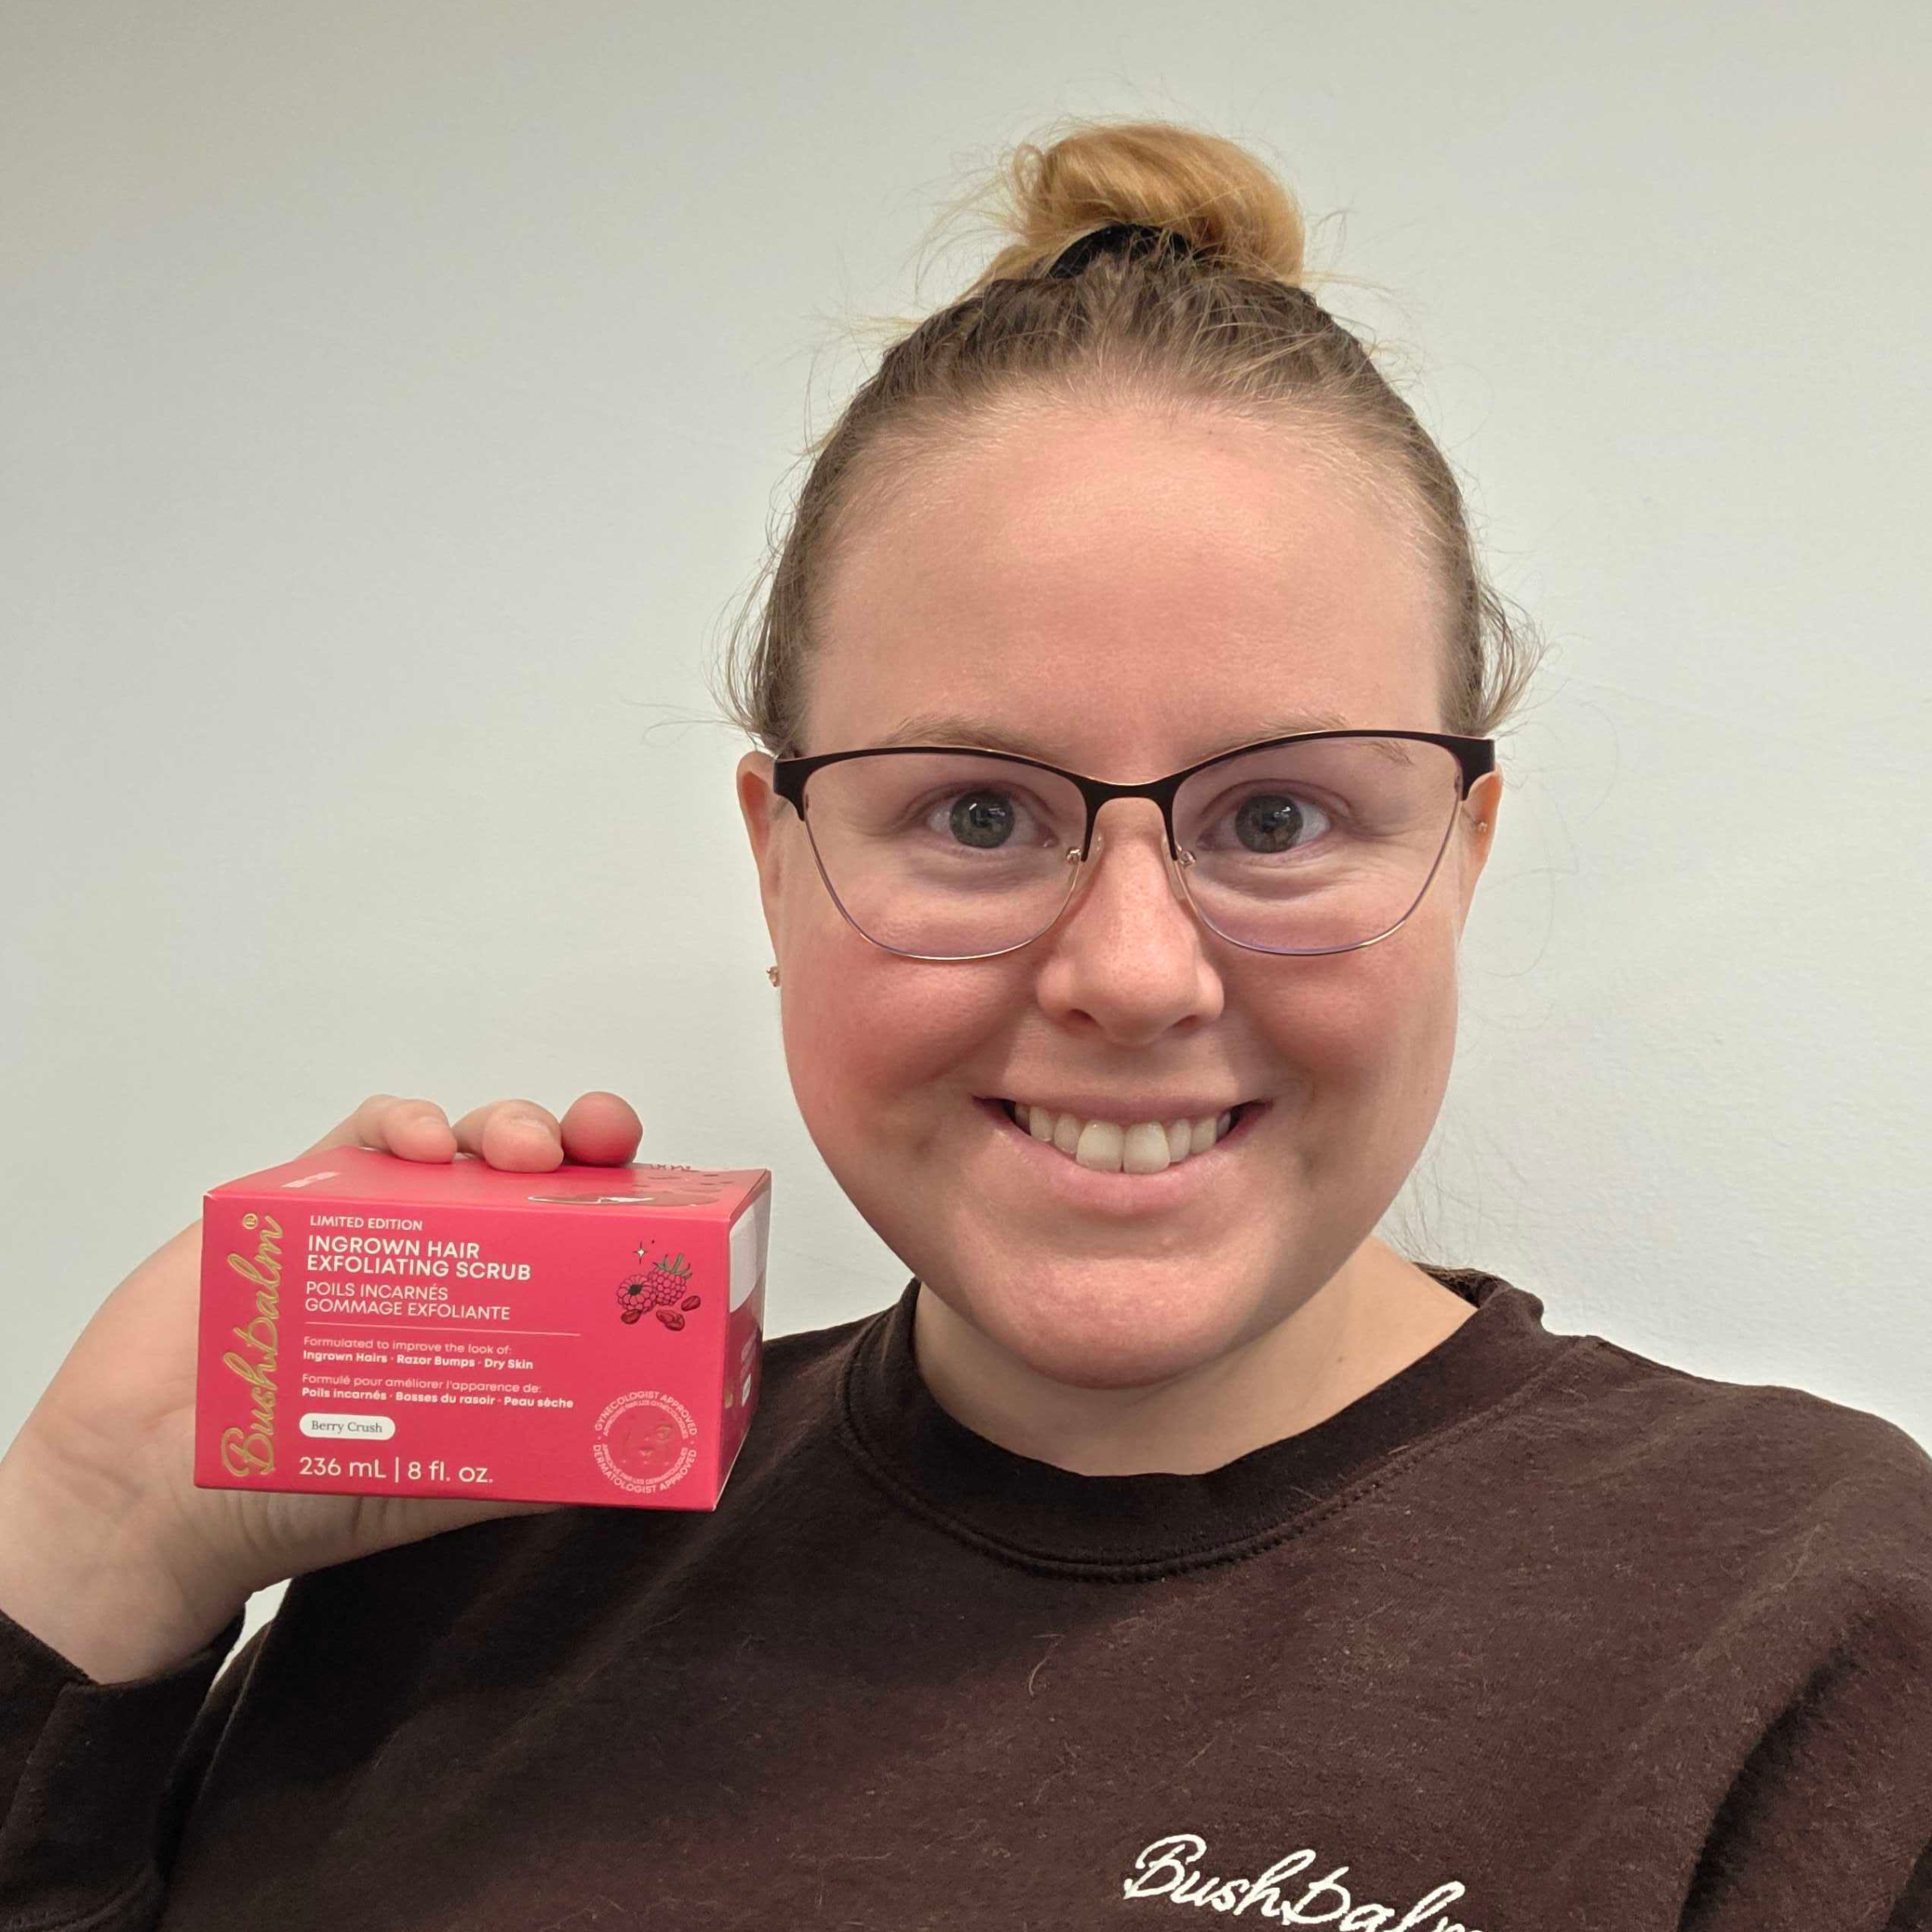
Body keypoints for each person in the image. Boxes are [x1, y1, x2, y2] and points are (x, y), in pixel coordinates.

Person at [2, 117, 1928, 1932]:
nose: (1134, 973)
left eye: (1281, 817)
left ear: (1462, 858)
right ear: (781, 868)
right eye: (978, 815)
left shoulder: (1815, 1635)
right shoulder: (464, 1556)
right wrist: (93, 1541)